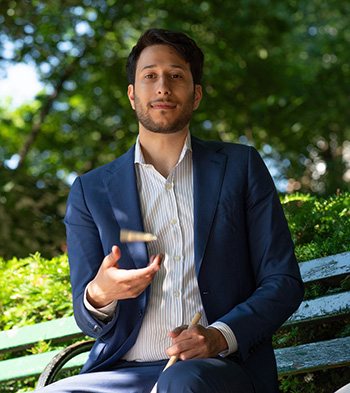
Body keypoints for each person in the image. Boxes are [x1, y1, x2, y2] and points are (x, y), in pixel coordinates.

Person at [39, 28, 304, 393]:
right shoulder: (90, 191)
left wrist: (217, 336)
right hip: (122, 374)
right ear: (133, 96)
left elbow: (282, 282)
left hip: (217, 369)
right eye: (149, 76)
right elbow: (89, 320)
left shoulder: (240, 167)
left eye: (176, 75)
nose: (162, 86)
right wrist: (99, 293)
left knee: (181, 381)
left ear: (195, 95)